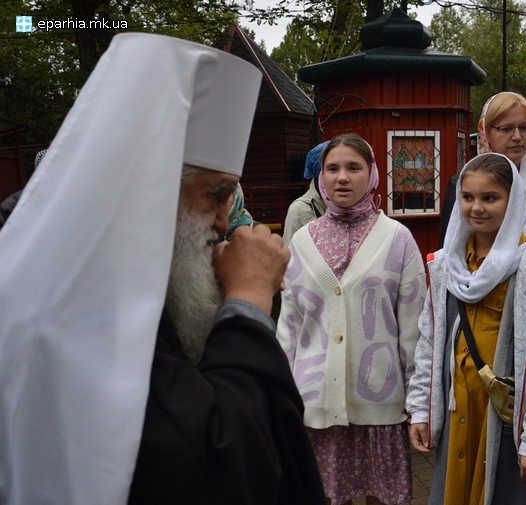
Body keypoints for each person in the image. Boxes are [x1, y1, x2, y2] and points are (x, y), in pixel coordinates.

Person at [0, 33, 325, 505]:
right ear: (147, 190)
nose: (221, 221)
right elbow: (219, 468)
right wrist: (248, 301)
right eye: (215, 194)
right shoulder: (76, 311)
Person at [276, 133, 426, 505]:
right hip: (317, 406)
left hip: (381, 404)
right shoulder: (302, 242)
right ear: (321, 177)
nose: (342, 177)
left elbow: (414, 328)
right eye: (333, 169)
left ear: (372, 174)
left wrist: (418, 401)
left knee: (383, 497)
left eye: (353, 168)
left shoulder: (398, 239)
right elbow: (289, 328)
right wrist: (280, 398)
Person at [407, 152, 526, 505]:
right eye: (468, 197)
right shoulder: (445, 265)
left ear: (513, 201)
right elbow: (429, 340)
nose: (477, 207)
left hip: (506, 422)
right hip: (459, 413)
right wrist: (422, 409)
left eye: (490, 197)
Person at [439, 92, 526, 258]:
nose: (517, 137)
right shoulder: (462, 183)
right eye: (506, 129)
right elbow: (448, 250)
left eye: (523, 127)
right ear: (486, 133)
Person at [283, 140, 329, 245]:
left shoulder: (353, 206)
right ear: (318, 178)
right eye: (332, 170)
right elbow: (289, 253)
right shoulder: (299, 210)